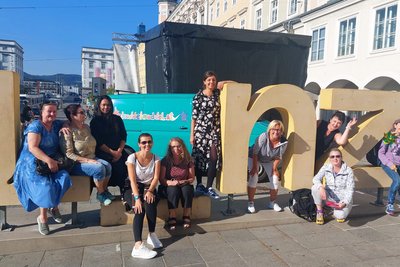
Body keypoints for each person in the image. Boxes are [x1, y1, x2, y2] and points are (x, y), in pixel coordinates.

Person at [13, 101, 72, 235]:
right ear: (42, 113)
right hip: (32, 162)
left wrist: (65, 125)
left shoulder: (56, 124)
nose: (52, 114)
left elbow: (65, 123)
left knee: (64, 178)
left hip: (50, 161)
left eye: (54, 111)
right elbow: (33, 148)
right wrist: (49, 161)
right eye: (49, 111)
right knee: (45, 186)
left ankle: (53, 206)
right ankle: (43, 218)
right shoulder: (36, 126)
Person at [60, 104, 114, 206]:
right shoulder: (68, 132)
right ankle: (100, 194)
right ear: (72, 116)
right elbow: (69, 154)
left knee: (107, 166)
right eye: (81, 113)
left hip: (91, 157)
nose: (84, 114)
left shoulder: (86, 128)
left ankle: (103, 190)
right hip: (76, 163)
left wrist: (91, 159)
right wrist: (88, 161)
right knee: (99, 168)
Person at [127, 133, 162, 259]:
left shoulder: (156, 158)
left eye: (149, 142)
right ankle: (137, 246)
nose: (147, 144)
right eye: (144, 142)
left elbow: (156, 177)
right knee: (139, 209)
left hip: (148, 186)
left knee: (150, 202)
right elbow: (132, 180)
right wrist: (137, 199)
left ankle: (151, 235)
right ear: (139, 144)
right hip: (133, 187)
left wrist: (150, 190)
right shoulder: (132, 157)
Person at [190, 70, 223, 199]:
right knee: (199, 159)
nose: (211, 82)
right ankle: (199, 185)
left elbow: (232, 83)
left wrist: (221, 83)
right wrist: (191, 135)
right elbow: (193, 118)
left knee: (214, 158)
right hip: (200, 131)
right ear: (204, 82)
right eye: (209, 80)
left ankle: (209, 187)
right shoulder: (197, 97)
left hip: (214, 131)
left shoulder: (217, 94)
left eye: (213, 80)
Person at [90, 95, 129, 195]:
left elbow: (123, 136)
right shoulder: (95, 121)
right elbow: (98, 141)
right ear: (99, 106)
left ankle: (126, 198)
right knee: (106, 171)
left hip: (119, 153)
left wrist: (119, 151)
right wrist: (112, 153)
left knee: (125, 173)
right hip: (103, 153)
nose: (106, 107)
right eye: (103, 105)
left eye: (108, 105)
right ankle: (103, 192)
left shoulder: (117, 119)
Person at [247, 120, 288, 213]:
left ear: (282, 131)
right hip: (254, 156)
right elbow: (255, 152)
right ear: (269, 129)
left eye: (279, 130)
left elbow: (278, 156)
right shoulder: (263, 136)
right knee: (254, 177)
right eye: (274, 129)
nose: (276, 132)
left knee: (275, 178)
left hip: (268, 160)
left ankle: (272, 202)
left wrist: (274, 168)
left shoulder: (284, 141)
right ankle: (250, 202)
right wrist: (254, 167)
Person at [311, 148, 354, 225]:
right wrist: (321, 187)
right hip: (329, 198)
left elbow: (350, 190)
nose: (335, 158)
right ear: (329, 159)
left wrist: (344, 203)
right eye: (332, 157)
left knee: (340, 216)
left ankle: (332, 210)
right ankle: (320, 212)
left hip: (342, 201)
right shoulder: (326, 167)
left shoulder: (348, 171)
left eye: (338, 156)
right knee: (315, 188)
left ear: (341, 157)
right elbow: (315, 179)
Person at [160, 137, 195, 230]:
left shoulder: (188, 160)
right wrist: (171, 183)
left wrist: (185, 181)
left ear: (182, 146)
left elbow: (192, 178)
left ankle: (186, 215)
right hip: (169, 185)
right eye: (173, 147)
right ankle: (172, 216)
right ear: (170, 148)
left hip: (184, 184)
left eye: (178, 146)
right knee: (173, 190)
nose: (176, 149)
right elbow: (161, 179)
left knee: (187, 189)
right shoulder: (165, 160)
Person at [378, 119, 400, 216]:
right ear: (395, 125)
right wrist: (389, 163)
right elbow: (381, 153)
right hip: (388, 164)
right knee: (397, 180)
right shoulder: (389, 136)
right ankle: (390, 204)